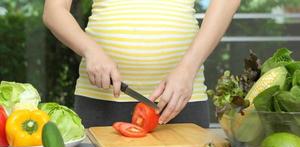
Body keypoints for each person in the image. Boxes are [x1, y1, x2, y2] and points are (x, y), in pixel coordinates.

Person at [43, 0, 241, 128]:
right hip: (100, 100)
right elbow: (54, 10)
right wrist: (90, 49)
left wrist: (188, 69)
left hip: (180, 100)